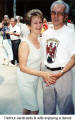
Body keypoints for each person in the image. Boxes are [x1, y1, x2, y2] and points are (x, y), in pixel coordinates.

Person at [17, 9, 55, 115]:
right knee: (35, 109)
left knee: (27, 108)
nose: (39, 25)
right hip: (25, 81)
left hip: (34, 81)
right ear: (29, 26)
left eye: (40, 22)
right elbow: (22, 67)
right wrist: (42, 74)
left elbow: (41, 62)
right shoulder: (25, 44)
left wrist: (45, 75)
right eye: (35, 23)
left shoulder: (40, 40)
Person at [42, 0, 75, 114]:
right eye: (53, 13)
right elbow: (44, 54)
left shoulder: (71, 32)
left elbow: (73, 58)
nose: (55, 16)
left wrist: (60, 73)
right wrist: (43, 73)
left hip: (64, 75)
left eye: (59, 13)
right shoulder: (46, 33)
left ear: (65, 16)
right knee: (48, 110)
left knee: (66, 110)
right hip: (47, 75)